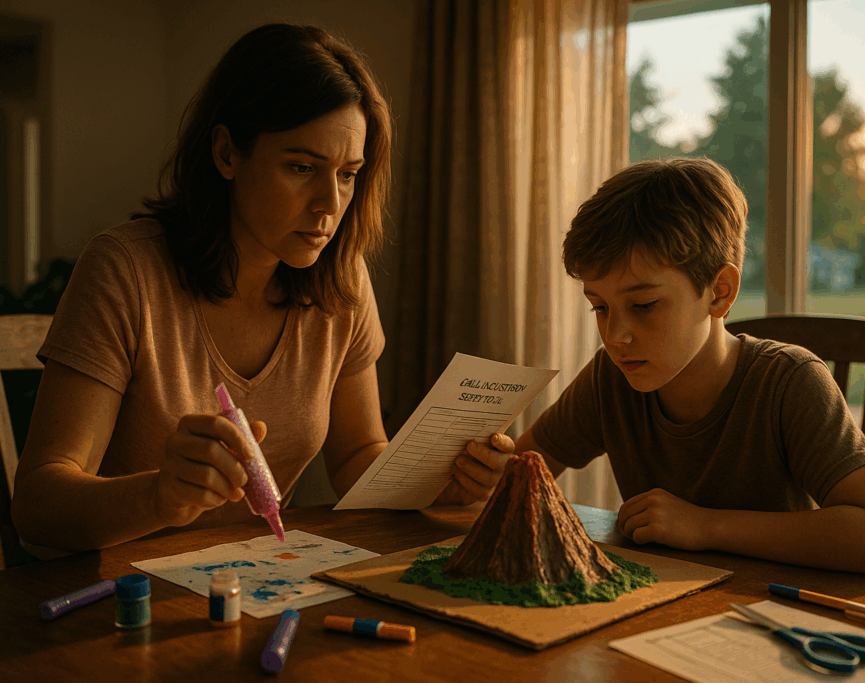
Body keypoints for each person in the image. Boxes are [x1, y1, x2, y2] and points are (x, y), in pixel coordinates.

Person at [12, 23, 512, 554]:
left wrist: (440, 484)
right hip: (117, 601)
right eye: (301, 167)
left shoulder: (342, 280)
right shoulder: (125, 271)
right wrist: (160, 496)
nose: (329, 204)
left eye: (348, 174)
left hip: (259, 586)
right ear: (227, 153)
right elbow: (39, 509)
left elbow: (356, 456)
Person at [479, 157, 865, 576]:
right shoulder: (611, 378)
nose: (615, 336)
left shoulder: (789, 382)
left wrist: (705, 525)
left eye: (644, 305)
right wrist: (489, 478)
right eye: (600, 307)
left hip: (766, 625)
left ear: (719, 292)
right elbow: (530, 468)